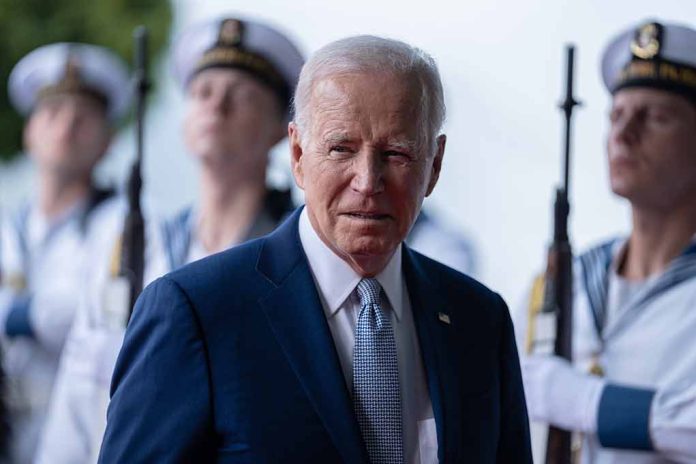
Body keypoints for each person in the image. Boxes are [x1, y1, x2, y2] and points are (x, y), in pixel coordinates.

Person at [98, 34, 532, 463]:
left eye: (396, 153)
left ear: (434, 165)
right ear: (299, 154)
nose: (367, 182)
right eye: (341, 149)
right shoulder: (197, 311)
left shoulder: (479, 320)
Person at [35, 17, 304, 464]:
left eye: (241, 96)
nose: (215, 106)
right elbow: (79, 391)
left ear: (283, 129)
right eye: (202, 93)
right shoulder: (133, 246)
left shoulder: (297, 259)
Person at [520, 20, 696, 463]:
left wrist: (589, 403)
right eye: (616, 115)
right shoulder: (564, 282)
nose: (623, 133)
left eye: (654, 117)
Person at [0, 42, 130, 463]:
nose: (67, 126)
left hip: (82, 439)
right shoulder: (7, 227)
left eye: (83, 117)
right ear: (29, 131)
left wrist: (13, 314)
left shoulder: (125, 223)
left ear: (108, 141)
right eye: (53, 113)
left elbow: (108, 316)